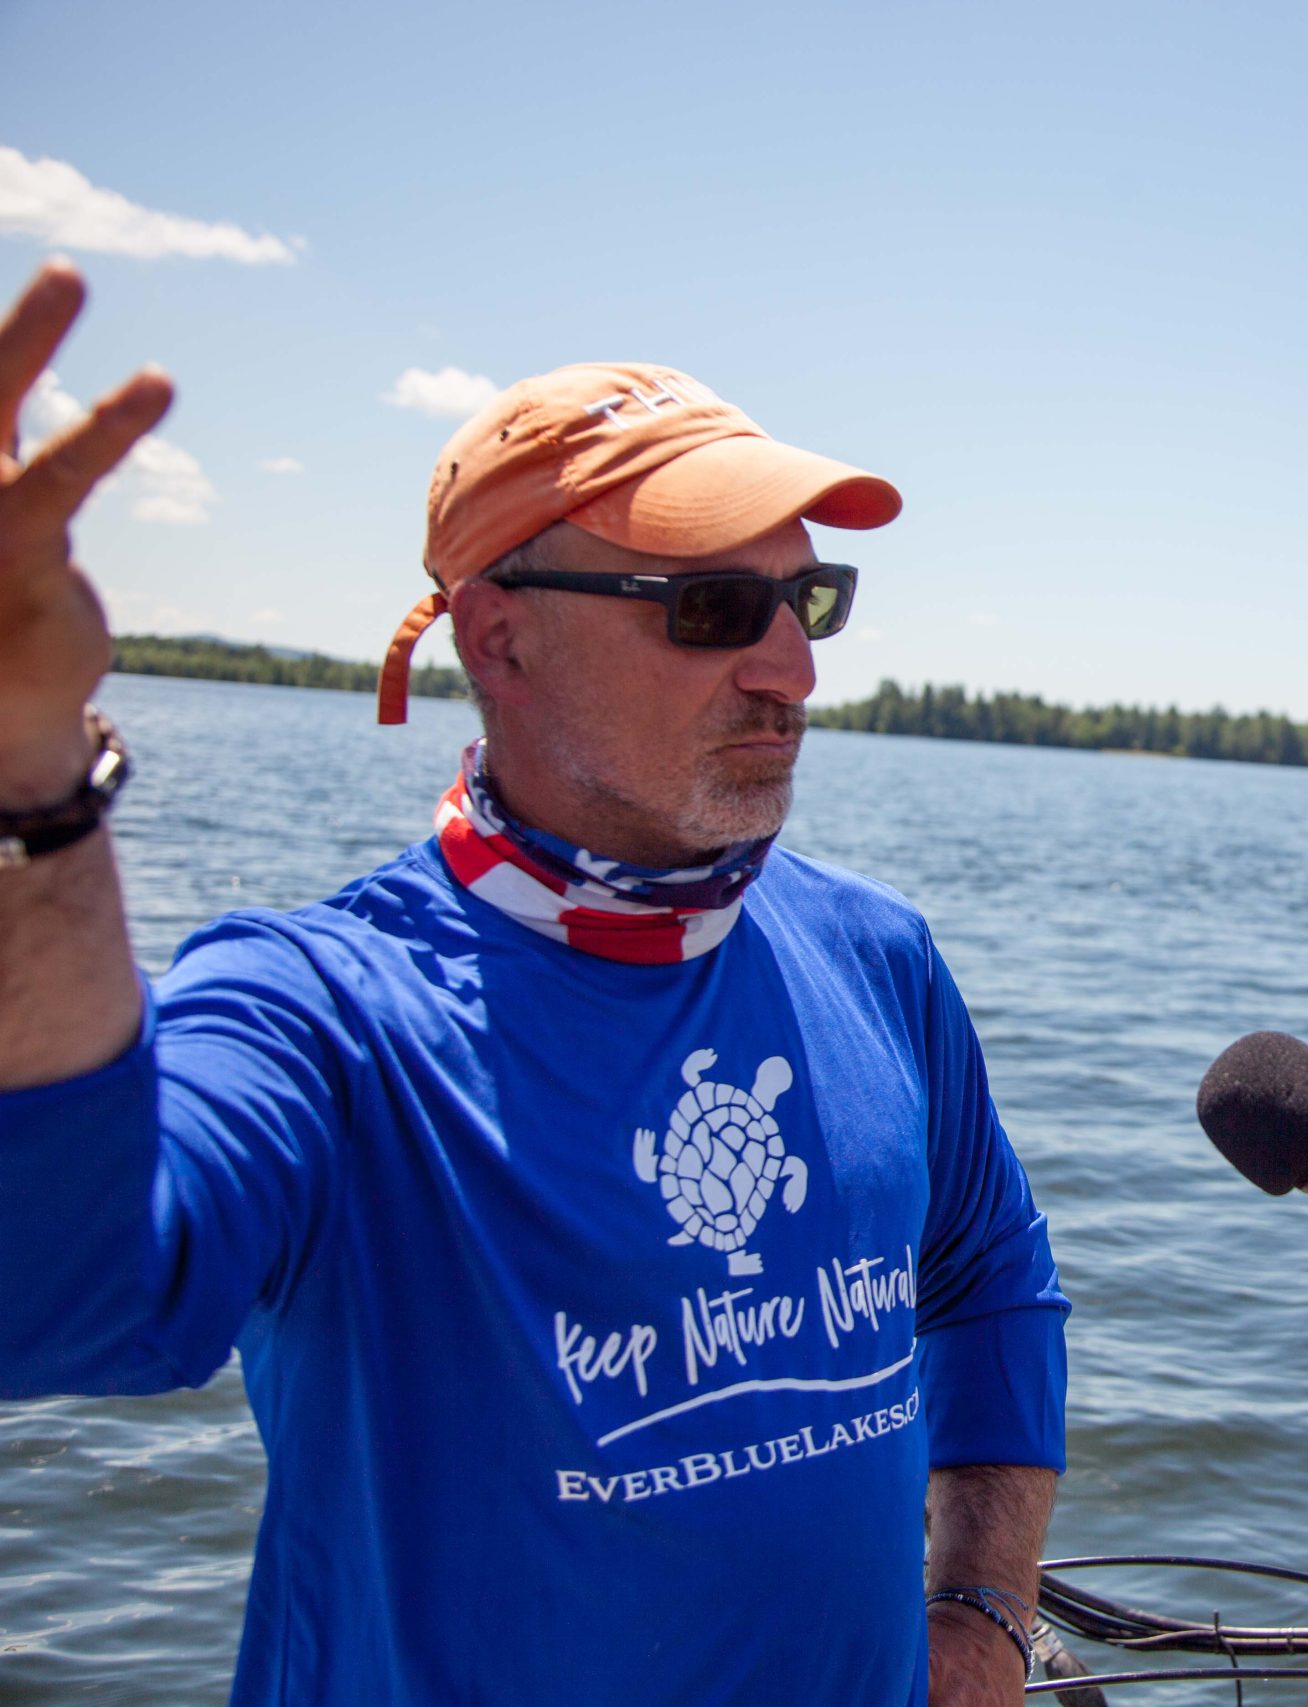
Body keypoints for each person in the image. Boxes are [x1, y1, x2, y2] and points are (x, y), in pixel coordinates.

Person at [0, 258, 1069, 1706]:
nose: (792, 672)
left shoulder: (877, 957)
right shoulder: (327, 1016)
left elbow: (991, 1276)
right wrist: (29, 780)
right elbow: (59, 1300)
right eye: (713, 607)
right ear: (497, 636)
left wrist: (984, 1612)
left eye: (808, 601)